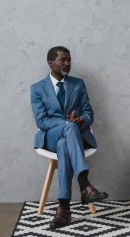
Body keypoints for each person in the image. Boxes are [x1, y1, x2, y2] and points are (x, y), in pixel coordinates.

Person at [30, 46, 108, 229]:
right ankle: (85, 184)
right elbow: (41, 121)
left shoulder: (78, 84)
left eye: (69, 60)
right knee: (68, 128)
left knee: (65, 144)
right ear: (50, 62)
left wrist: (81, 121)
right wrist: (66, 125)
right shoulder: (37, 88)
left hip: (72, 137)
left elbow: (89, 112)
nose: (67, 63)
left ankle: (64, 208)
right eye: (62, 60)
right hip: (50, 136)